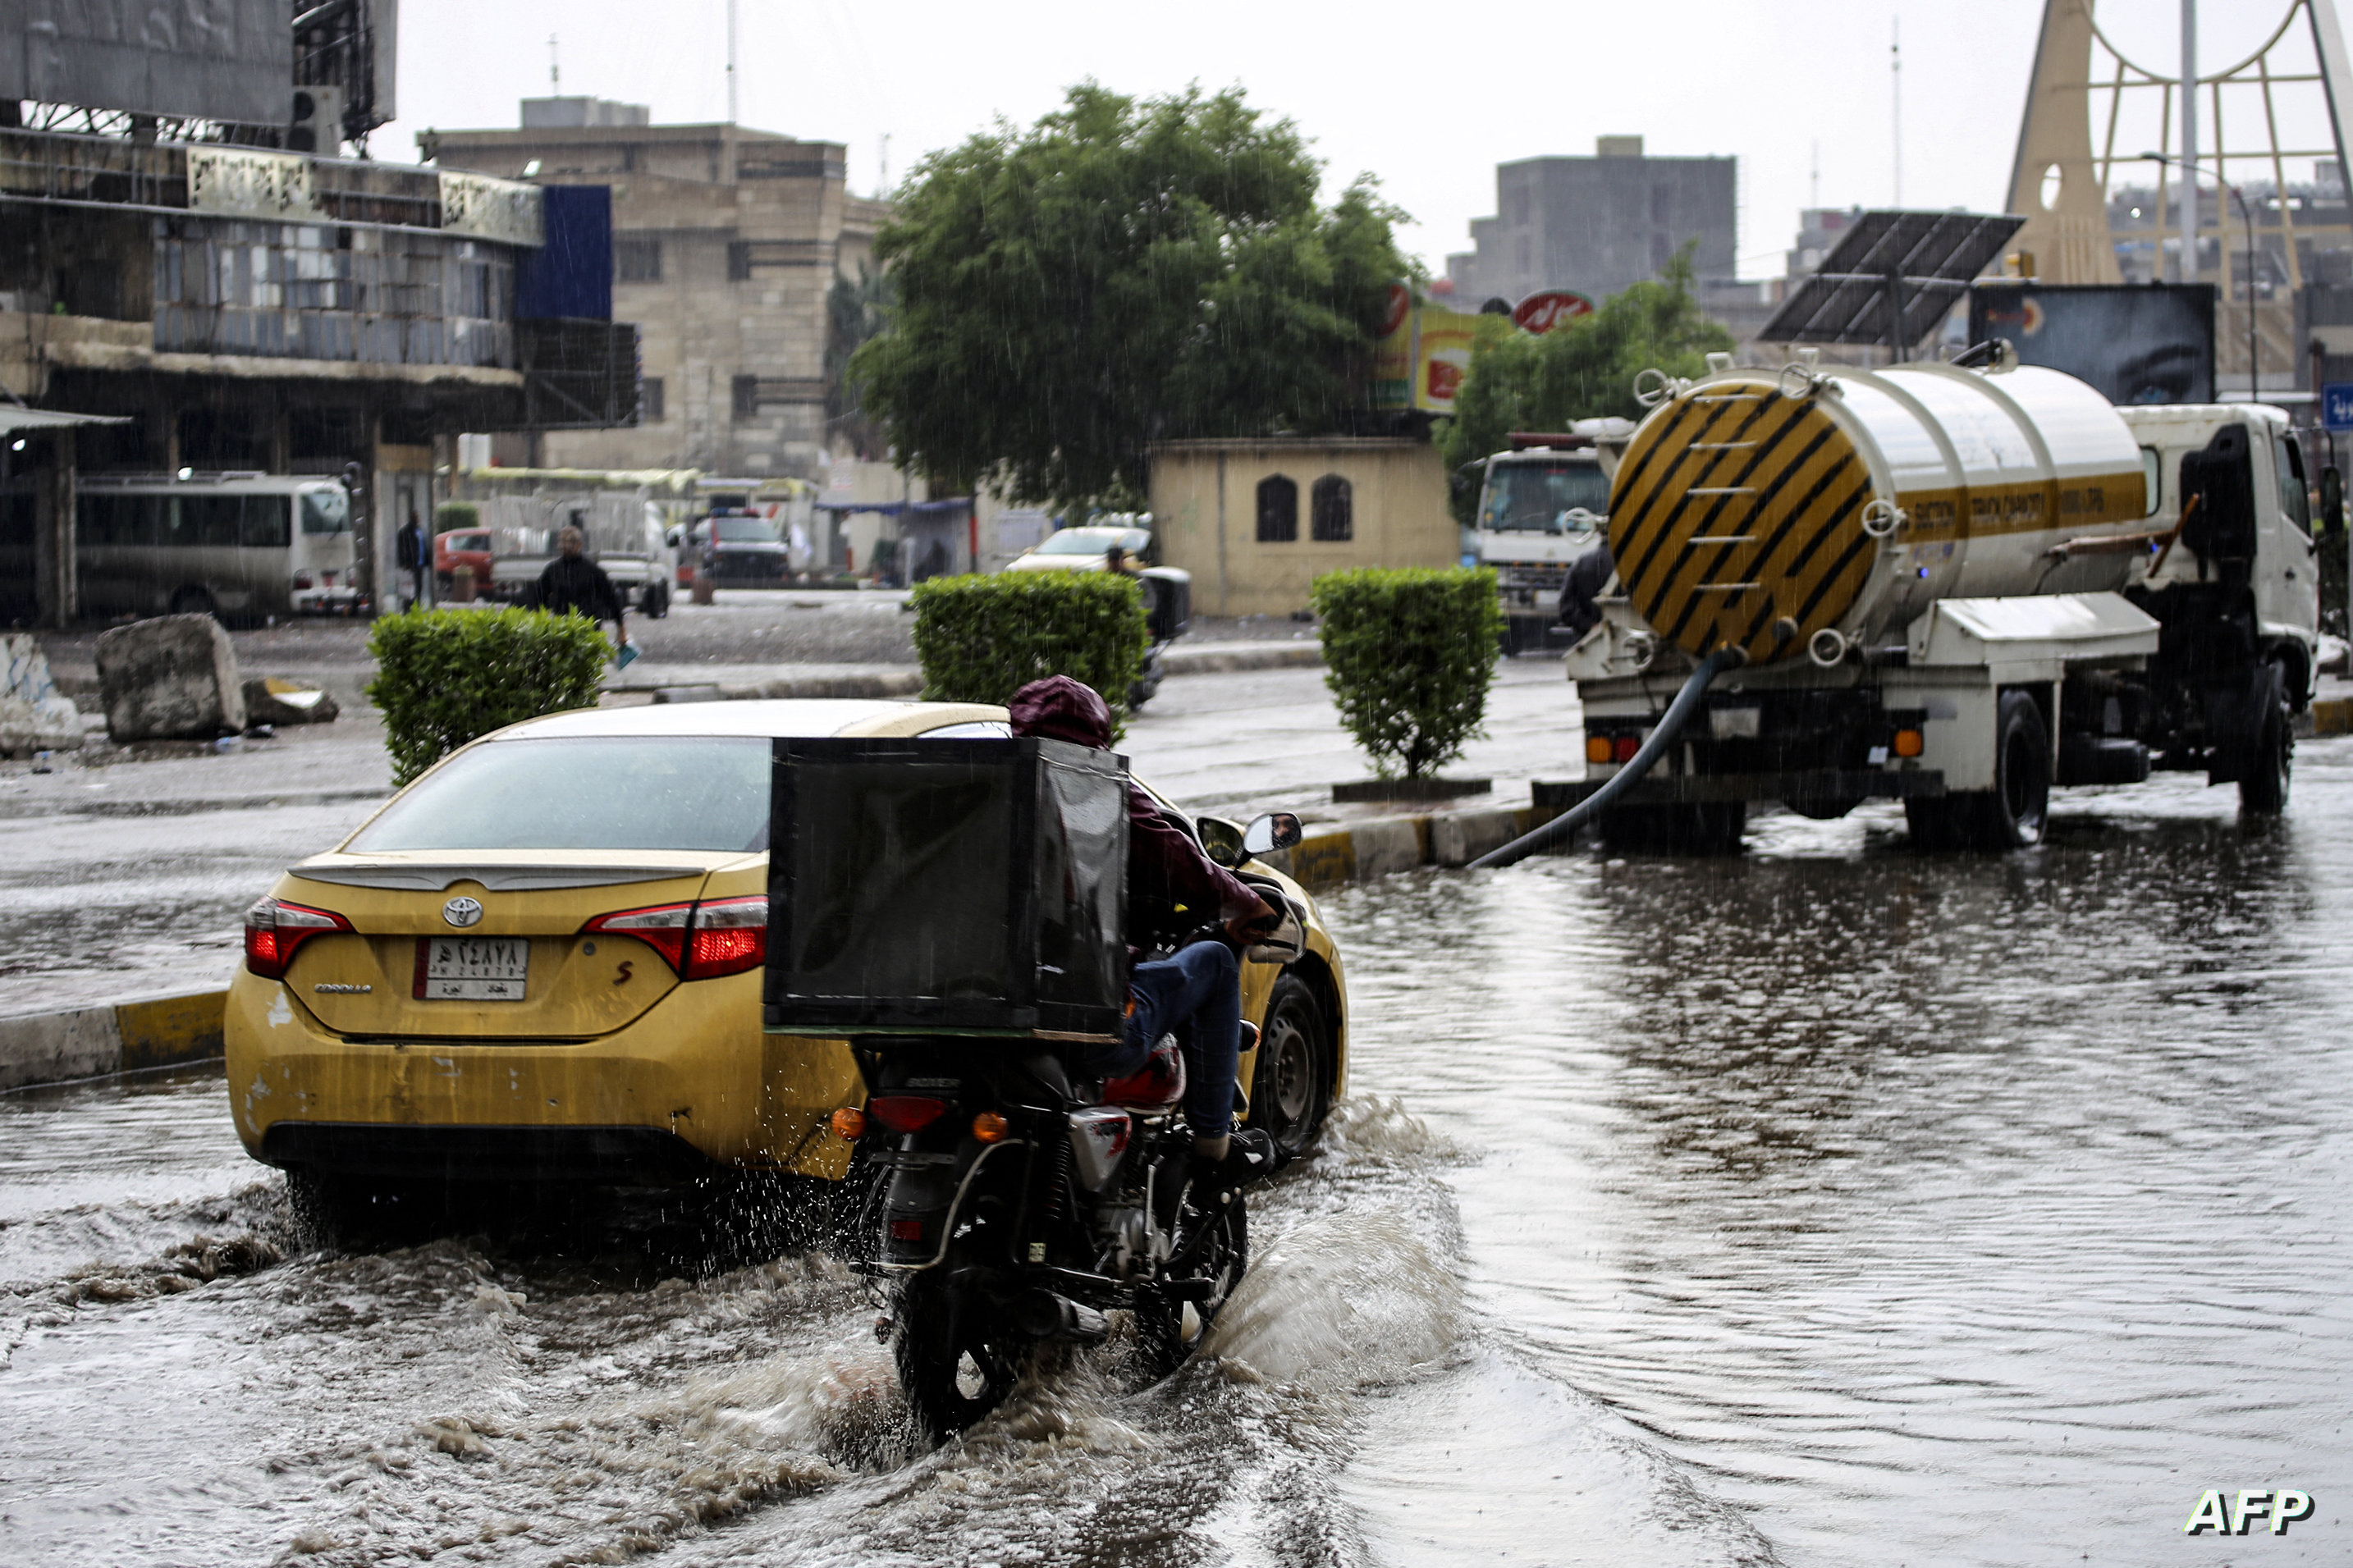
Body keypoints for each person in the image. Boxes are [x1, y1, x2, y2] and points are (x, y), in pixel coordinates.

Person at [1007, 675, 1288, 1186]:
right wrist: (1243, 902)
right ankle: (1214, 1149)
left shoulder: (978, 789)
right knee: (1215, 964)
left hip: (962, 1018)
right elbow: (1170, 852)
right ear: (1097, 742)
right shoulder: (1089, 782)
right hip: (1073, 1017)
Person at [527, 525, 629, 651]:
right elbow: (538, 596)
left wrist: (621, 629)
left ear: (579, 545)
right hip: (561, 629)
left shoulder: (594, 571)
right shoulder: (553, 570)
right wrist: (534, 622)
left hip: (589, 628)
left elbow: (612, 599)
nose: (565, 548)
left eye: (569, 544)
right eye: (562, 544)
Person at [394, 509, 427, 612]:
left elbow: (423, 546)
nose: (417, 519)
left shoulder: (419, 530)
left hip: (420, 564)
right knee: (409, 588)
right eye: (415, 517)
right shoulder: (405, 531)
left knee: (419, 587)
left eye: (418, 517)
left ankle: (417, 606)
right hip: (410, 564)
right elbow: (401, 548)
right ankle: (408, 608)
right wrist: (404, 562)